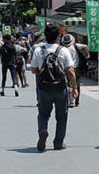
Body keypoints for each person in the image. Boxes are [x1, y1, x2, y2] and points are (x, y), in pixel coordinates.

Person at [30, 23, 77, 151]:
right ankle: (58, 142)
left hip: (44, 88)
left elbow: (33, 69)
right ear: (58, 36)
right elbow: (71, 71)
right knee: (62, 115)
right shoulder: (63, 50)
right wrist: (74, 87)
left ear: (45, 35)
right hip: (60, 88)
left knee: (43, 113)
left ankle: (43, 130)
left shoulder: (39, 50)